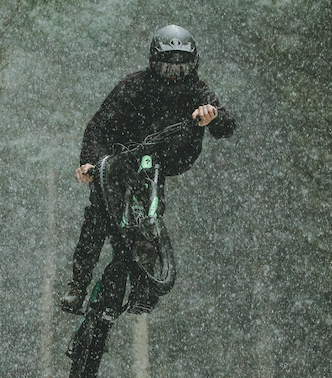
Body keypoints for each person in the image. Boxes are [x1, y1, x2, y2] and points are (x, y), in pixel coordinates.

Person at [60, 24, 236, 316]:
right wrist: (89, 162)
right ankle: (77, 286)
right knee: (97, 215)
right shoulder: (133, 86)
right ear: (154, 64)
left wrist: (212, 116)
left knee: (150, 213)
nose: (174, 76)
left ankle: (144, 286)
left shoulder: (197, 89)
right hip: (122, 156)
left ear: (192, 67)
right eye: (167, 68)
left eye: (181, 69)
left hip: (168, 157)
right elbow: (98, 126)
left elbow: (226, 124)